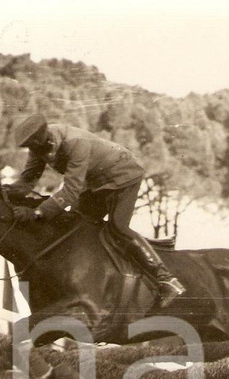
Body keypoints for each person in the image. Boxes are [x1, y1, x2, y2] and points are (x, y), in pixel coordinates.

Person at [10, 113, 186, 307]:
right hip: (96, 182)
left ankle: (166, 279)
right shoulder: (39, 146)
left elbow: (71, 190)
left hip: (123, 174)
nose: (37, 153)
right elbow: (28, 178)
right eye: (33, 149)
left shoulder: (74, 143)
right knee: (73, 222)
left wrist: (38, 212)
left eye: (38, 148)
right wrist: (8, 193)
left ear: (44, 138)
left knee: (118, 228)